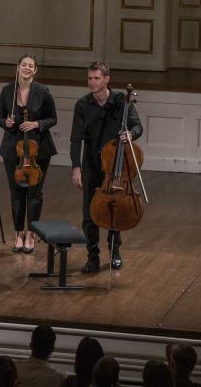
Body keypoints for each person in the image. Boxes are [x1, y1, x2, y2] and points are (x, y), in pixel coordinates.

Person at [70, 60, 143, 273]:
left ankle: (115, 252)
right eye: (90, 78)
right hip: (91, 164)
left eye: (96, 78)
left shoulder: (122, 102)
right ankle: (92, 256)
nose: (92, 83)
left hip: (115, 167)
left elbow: (138, 126)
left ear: (107, 79)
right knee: (88, 214)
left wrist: (130, 134)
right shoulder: (82, 105)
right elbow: (76, 138)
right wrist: (76, 166)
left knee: (115, 209)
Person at [0, 54, 57, 254]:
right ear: (18, 67)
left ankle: (31, 233)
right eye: (24, 65)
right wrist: (6, 122)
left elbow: (52, 118)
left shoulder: (43, 91)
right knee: (16, 193)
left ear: (35, 70)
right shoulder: (7, 91)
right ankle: (18, 233)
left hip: (38, 149)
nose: (27, 68)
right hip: (13, 149)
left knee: (34, 194)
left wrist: (36, 123)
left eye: (31, 66)